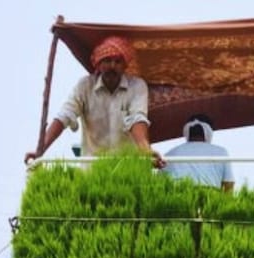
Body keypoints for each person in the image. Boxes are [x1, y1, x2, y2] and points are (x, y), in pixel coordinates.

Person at [24, 36, 161, 165]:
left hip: (129, 169)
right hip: (92, 170)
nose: (112, 66)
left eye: (118, 62)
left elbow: (137, 118)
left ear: (125, 65)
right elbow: (65, 116)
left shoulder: (137, 86)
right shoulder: (85, 86)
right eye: (107, 61)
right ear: (98, 64)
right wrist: (40, 150)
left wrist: (145, 150)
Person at [164, 114, 234, 192]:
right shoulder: (221, 152)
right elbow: (228, 184)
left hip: (178, 197)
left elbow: (160, 184)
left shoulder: (171, 153)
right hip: (210, 197)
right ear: (209, 132)